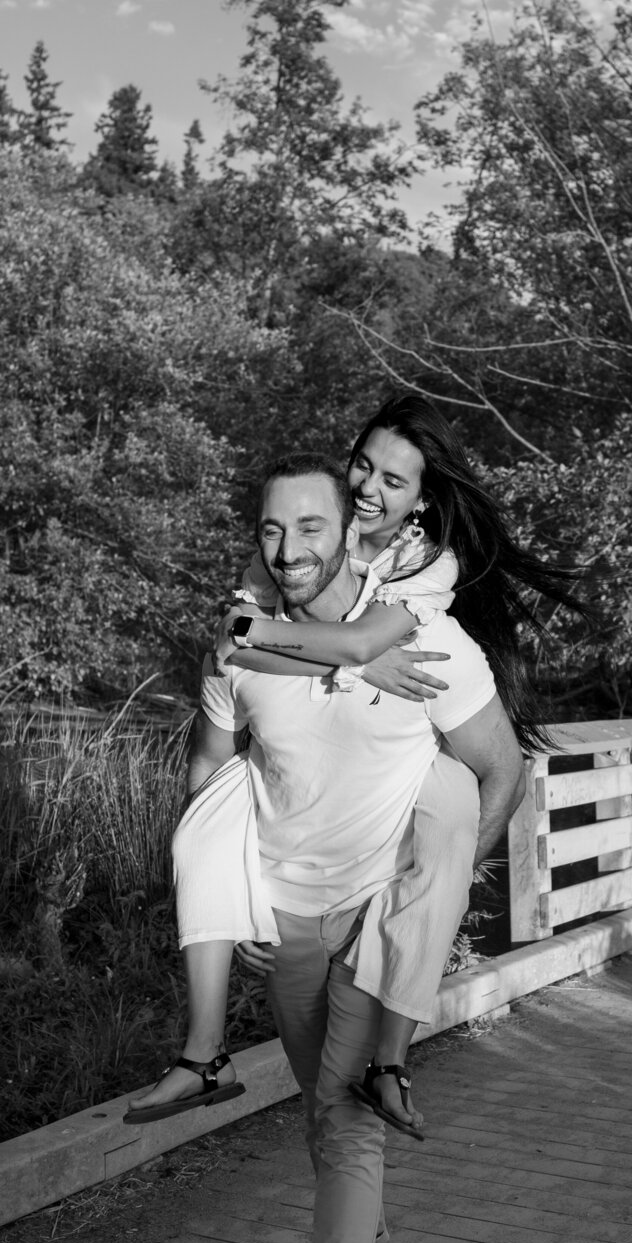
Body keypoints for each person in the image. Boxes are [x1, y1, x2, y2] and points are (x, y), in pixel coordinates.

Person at [182, 450, 525, 1243]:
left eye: (311, 528)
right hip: (289, 922)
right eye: (271, 529)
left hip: (380, 912)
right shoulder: (242, 652)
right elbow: (211, 764)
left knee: (346, 1117)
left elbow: (498, 771)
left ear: (351, 532)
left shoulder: (430, 646)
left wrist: (439, 895)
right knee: (321, 1112)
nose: (288, 549)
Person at [125, 397, 579, 1138]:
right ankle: (207, 1050)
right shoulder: (300, 537)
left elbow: (337, 641)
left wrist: (340, 653)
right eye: (362, 465)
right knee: (208, 815)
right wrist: (348, 660)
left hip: (407, 771)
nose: (369, 488)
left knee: (452, 812)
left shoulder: (430, 566)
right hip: (314, 843)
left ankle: (390, 1062)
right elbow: (244, 637)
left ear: (422, 502)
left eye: (392, 482)